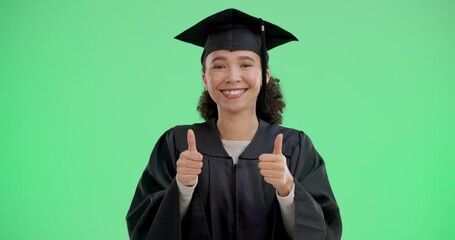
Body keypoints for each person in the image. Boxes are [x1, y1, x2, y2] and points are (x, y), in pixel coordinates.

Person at [126, 8, 342, 240]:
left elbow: (326, 232)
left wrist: (288, 189)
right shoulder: (176, 145)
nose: (232, 76)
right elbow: (143, 228)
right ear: (205, 78)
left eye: (246, 64)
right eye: (219, 66)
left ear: (264, 76)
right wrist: (182, 189)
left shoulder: (295, 148)